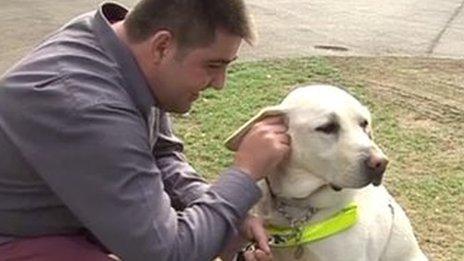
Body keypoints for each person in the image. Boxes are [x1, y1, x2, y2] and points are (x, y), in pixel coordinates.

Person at [0, 1, 290, 260]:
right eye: (213, 64)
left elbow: (161, 152)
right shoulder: (86, 105)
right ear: (162, 46)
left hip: (58, 225)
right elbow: (166, 253)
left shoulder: (122, 49)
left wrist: (223, 213)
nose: (220, 83)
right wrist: (244, 174)